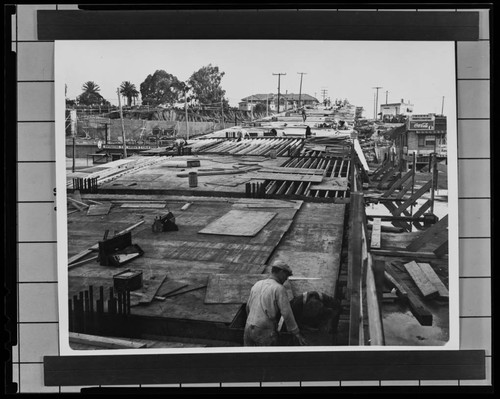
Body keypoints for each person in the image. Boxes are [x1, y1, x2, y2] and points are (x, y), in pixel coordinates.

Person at [244, 262, 307, 346]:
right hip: (264, 330)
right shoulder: (279, 288)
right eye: (286, 275)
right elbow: (287, 313)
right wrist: (296, 332)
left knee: (248, 357)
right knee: (267, 357)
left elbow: (248, 307)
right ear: (281, 272)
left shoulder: (257, 284)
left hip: (248, 327)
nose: (286, 279)